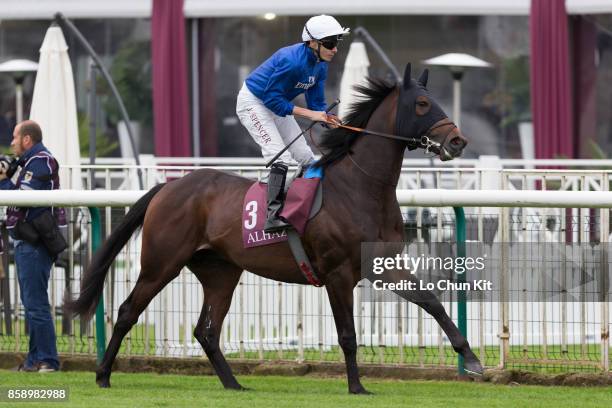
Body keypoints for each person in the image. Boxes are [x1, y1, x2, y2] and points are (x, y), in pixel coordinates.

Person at [236, 15, 348, 232]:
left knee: (306, 159)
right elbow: (270, 99)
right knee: (281, 159)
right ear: (312, 43)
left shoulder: (320, 65)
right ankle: (272, 216)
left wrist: (327, 118)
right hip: (255, 102)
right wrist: (310, 114)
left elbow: (316, 103)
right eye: (330, 43)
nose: (335, 49)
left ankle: (297, 204)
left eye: (337, 43)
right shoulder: (291, 60)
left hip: (277, 104)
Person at [0, 120, 61, 372]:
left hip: (34, 243)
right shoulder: (28, 163)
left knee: (35, 303)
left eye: (15, 137)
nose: (12, 142)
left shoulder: (43, 161)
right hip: (27, 242)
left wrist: (4, 178)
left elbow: (19, 197)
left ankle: (48, 360)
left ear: (27, 139)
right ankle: (34, 360)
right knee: (31, 302)